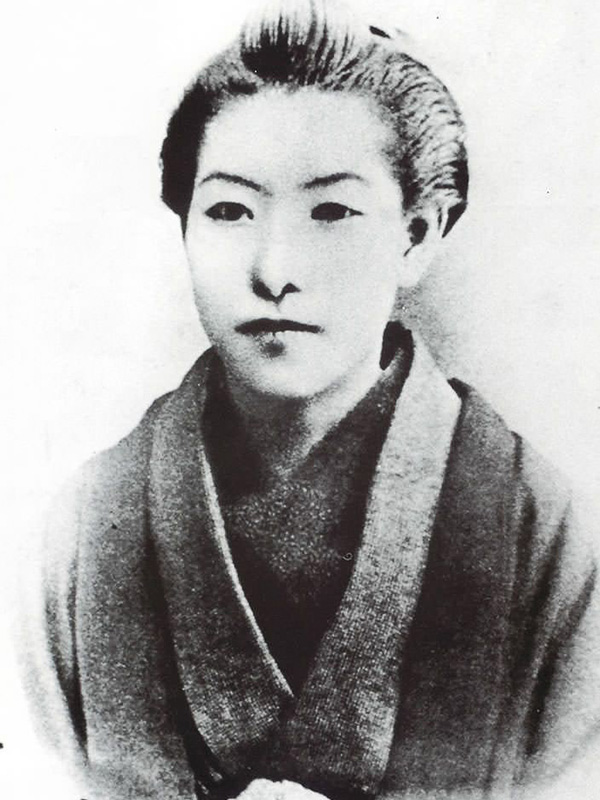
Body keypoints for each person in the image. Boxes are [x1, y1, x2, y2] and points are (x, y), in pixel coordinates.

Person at [18, 1, 600, 798]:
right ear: (183, 225)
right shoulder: (80, 531)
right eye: (229, 211)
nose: (275, 269)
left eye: (332, 211)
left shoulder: (543, 530)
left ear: (417, 236)